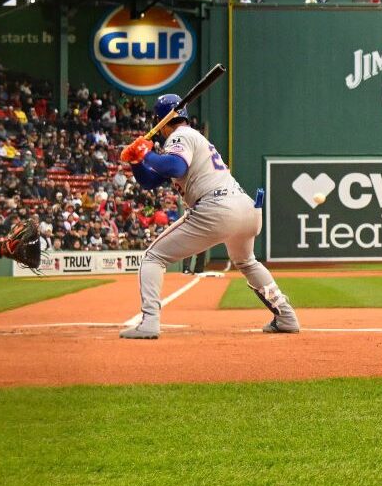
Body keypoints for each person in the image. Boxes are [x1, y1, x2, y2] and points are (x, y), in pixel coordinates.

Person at [117, 93, 299, 337]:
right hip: (245, 208)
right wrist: (137, 162)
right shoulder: (193, 138)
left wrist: (147, 154)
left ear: (160, 120)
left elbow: (175, 167)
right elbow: (151, 182)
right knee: (247, 262)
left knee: (153, 257)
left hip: (217, 207)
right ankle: (286, 316)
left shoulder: (180, 135)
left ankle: (149, 322)